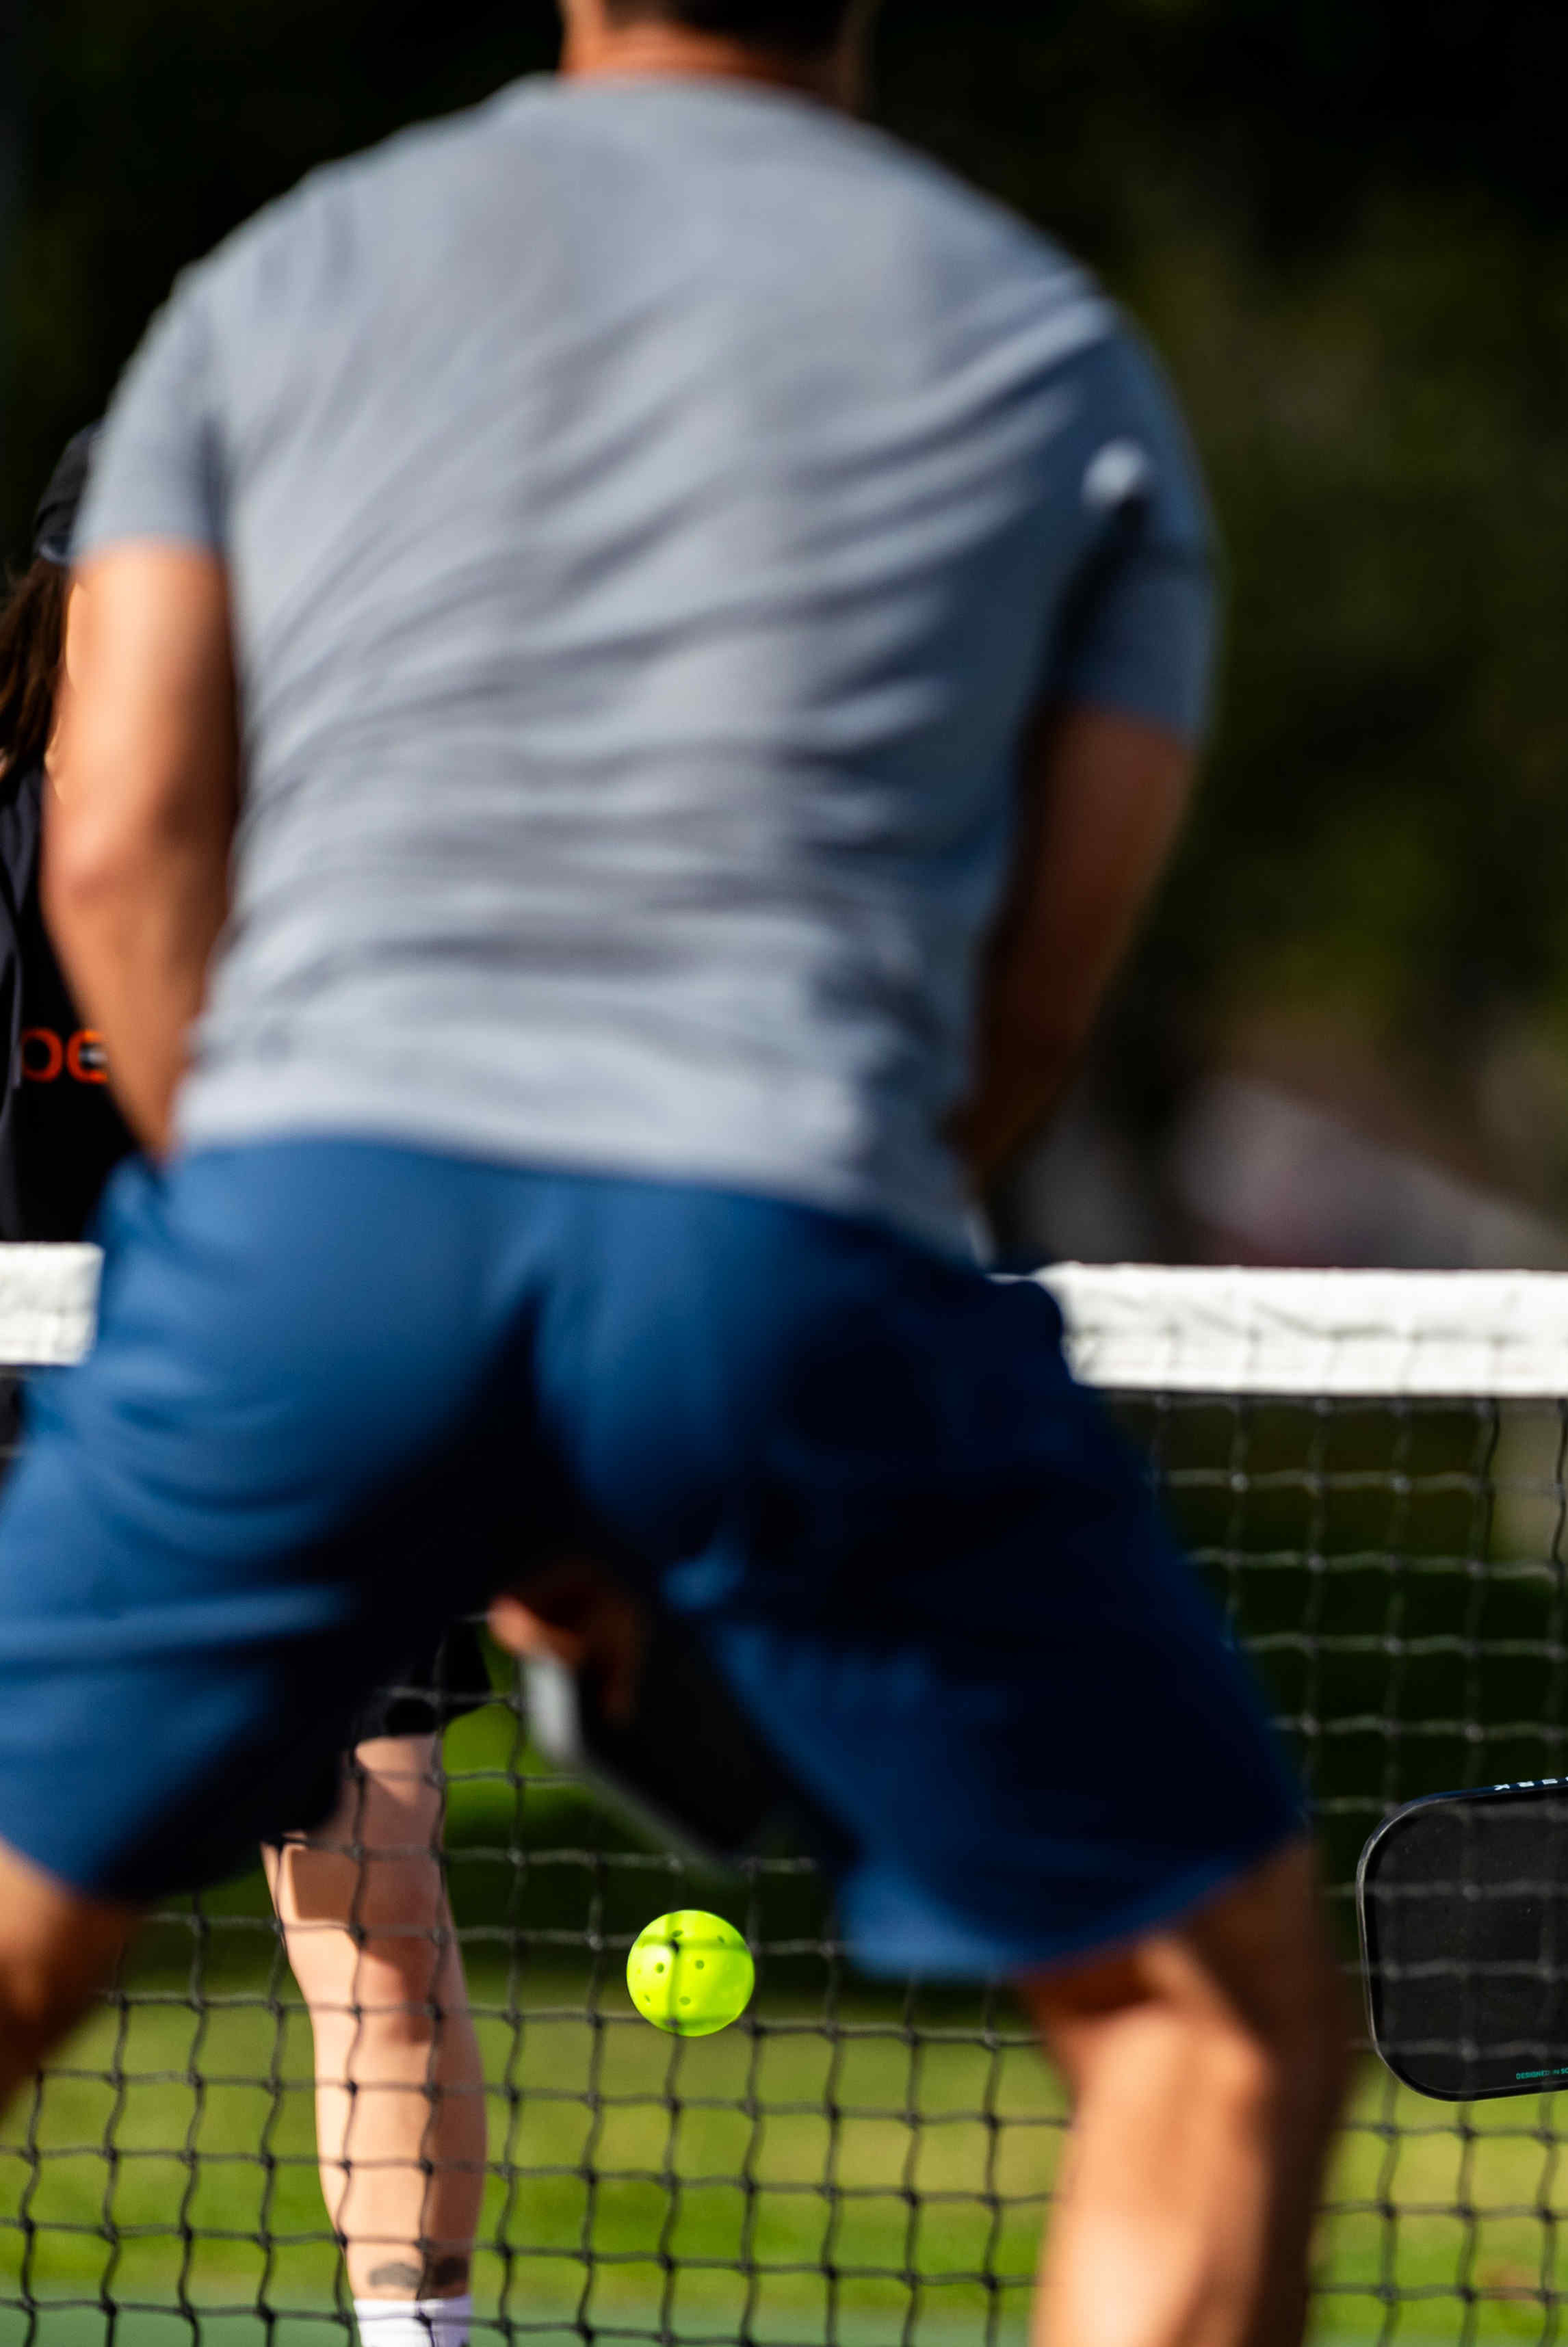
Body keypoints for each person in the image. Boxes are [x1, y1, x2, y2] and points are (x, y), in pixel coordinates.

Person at [0, 5, 1347, 2346]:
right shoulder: (1050, 349)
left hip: (308, 1216)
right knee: (1204, 2030)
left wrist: (312, 1267)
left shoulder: (278, 279)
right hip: (775, 1212)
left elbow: (118, 844)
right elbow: (1034, 988)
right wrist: (762, 1298)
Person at [2, 430, 491, 2347]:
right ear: (64, 599)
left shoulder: (335, 862)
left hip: (316, 1431)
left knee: (365, 1900)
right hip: (33, 1434)